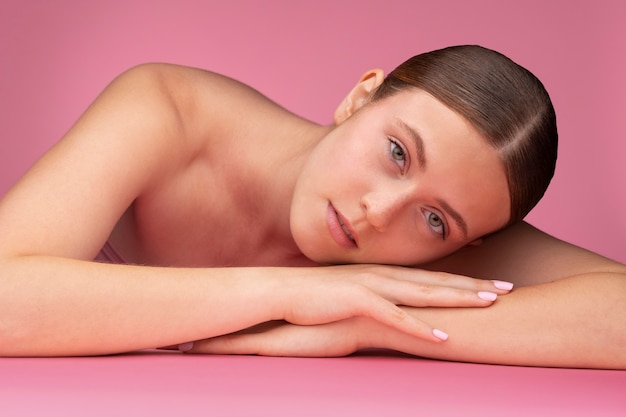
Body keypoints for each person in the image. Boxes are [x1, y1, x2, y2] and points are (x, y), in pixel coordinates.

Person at [0, 45, 623, 368]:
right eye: (397, 153)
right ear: (360, 98)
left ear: (463, 244)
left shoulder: (456, 234)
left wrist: (372, 323)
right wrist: (286, 294)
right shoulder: (169, 110)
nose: (381, 211)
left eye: (434, 220)